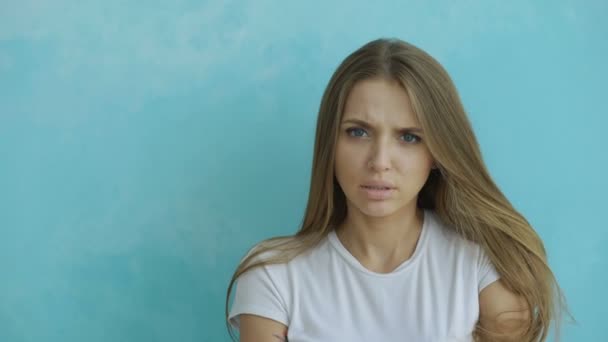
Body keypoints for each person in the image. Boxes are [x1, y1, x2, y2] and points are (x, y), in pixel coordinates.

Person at [224, 38, 568, 341]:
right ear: (330, 142)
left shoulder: (486, 265)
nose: (380, 161)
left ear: (437, 151)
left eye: (408, 137)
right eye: (358, 132)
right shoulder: (272, 275)